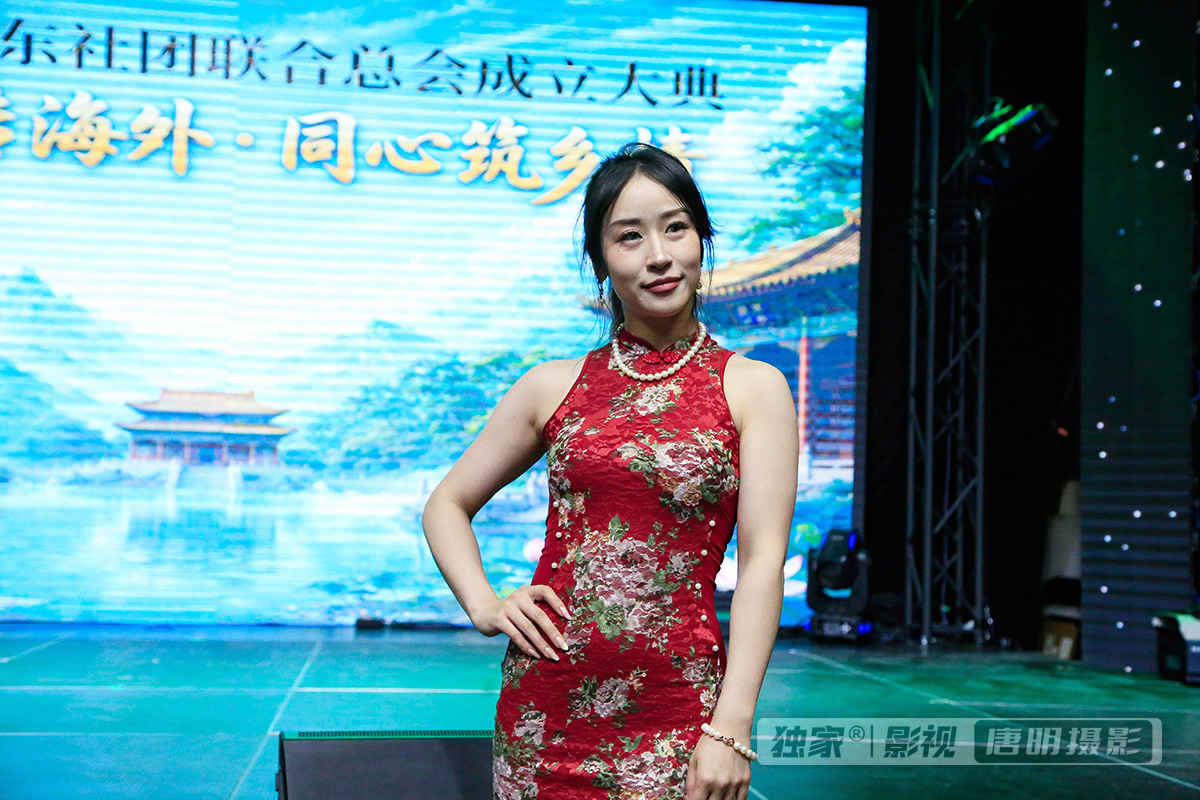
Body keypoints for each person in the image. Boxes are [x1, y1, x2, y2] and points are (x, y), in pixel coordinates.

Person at [422, 142, 797, 800]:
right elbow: (445, 505)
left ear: (702, 239)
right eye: (629, 237)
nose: (659, 255)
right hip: (544, 713)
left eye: (676, 228)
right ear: (599, 261)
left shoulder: (753, 387)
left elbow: (763, 563)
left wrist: (732, 726)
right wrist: (486, 605)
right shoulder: (551, 386)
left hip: (682, 716)